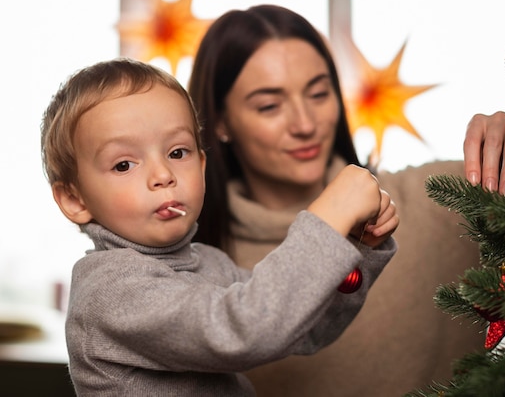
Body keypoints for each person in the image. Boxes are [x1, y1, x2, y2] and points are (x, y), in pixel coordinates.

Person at [40, 58, 399, 396]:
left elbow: (303, 324)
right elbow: (247, 330)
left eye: (177, 153)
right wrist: (327, 219)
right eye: (123, 165)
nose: (163, 175)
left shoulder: (209, 263)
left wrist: (354, 246)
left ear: (201, 165)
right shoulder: (111, 291)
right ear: (75, 200)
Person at [187, 4, 483, 397]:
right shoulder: (194, 274)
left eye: (319, 92)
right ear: (220, 122)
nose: (305, 124)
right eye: (270, 106)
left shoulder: (439, 200)